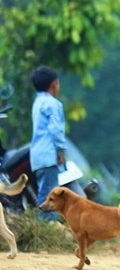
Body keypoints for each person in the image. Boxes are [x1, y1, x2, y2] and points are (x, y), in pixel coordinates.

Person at [29, 66, 83, 221]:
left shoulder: (37, 103)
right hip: (48, 154)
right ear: (54, 84)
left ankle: (47, 227)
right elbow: (56, 131)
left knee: (44, 191)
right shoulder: (53, 104)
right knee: (49, 195)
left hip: (37, 155)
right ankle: (46, 230)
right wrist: (61, 152)